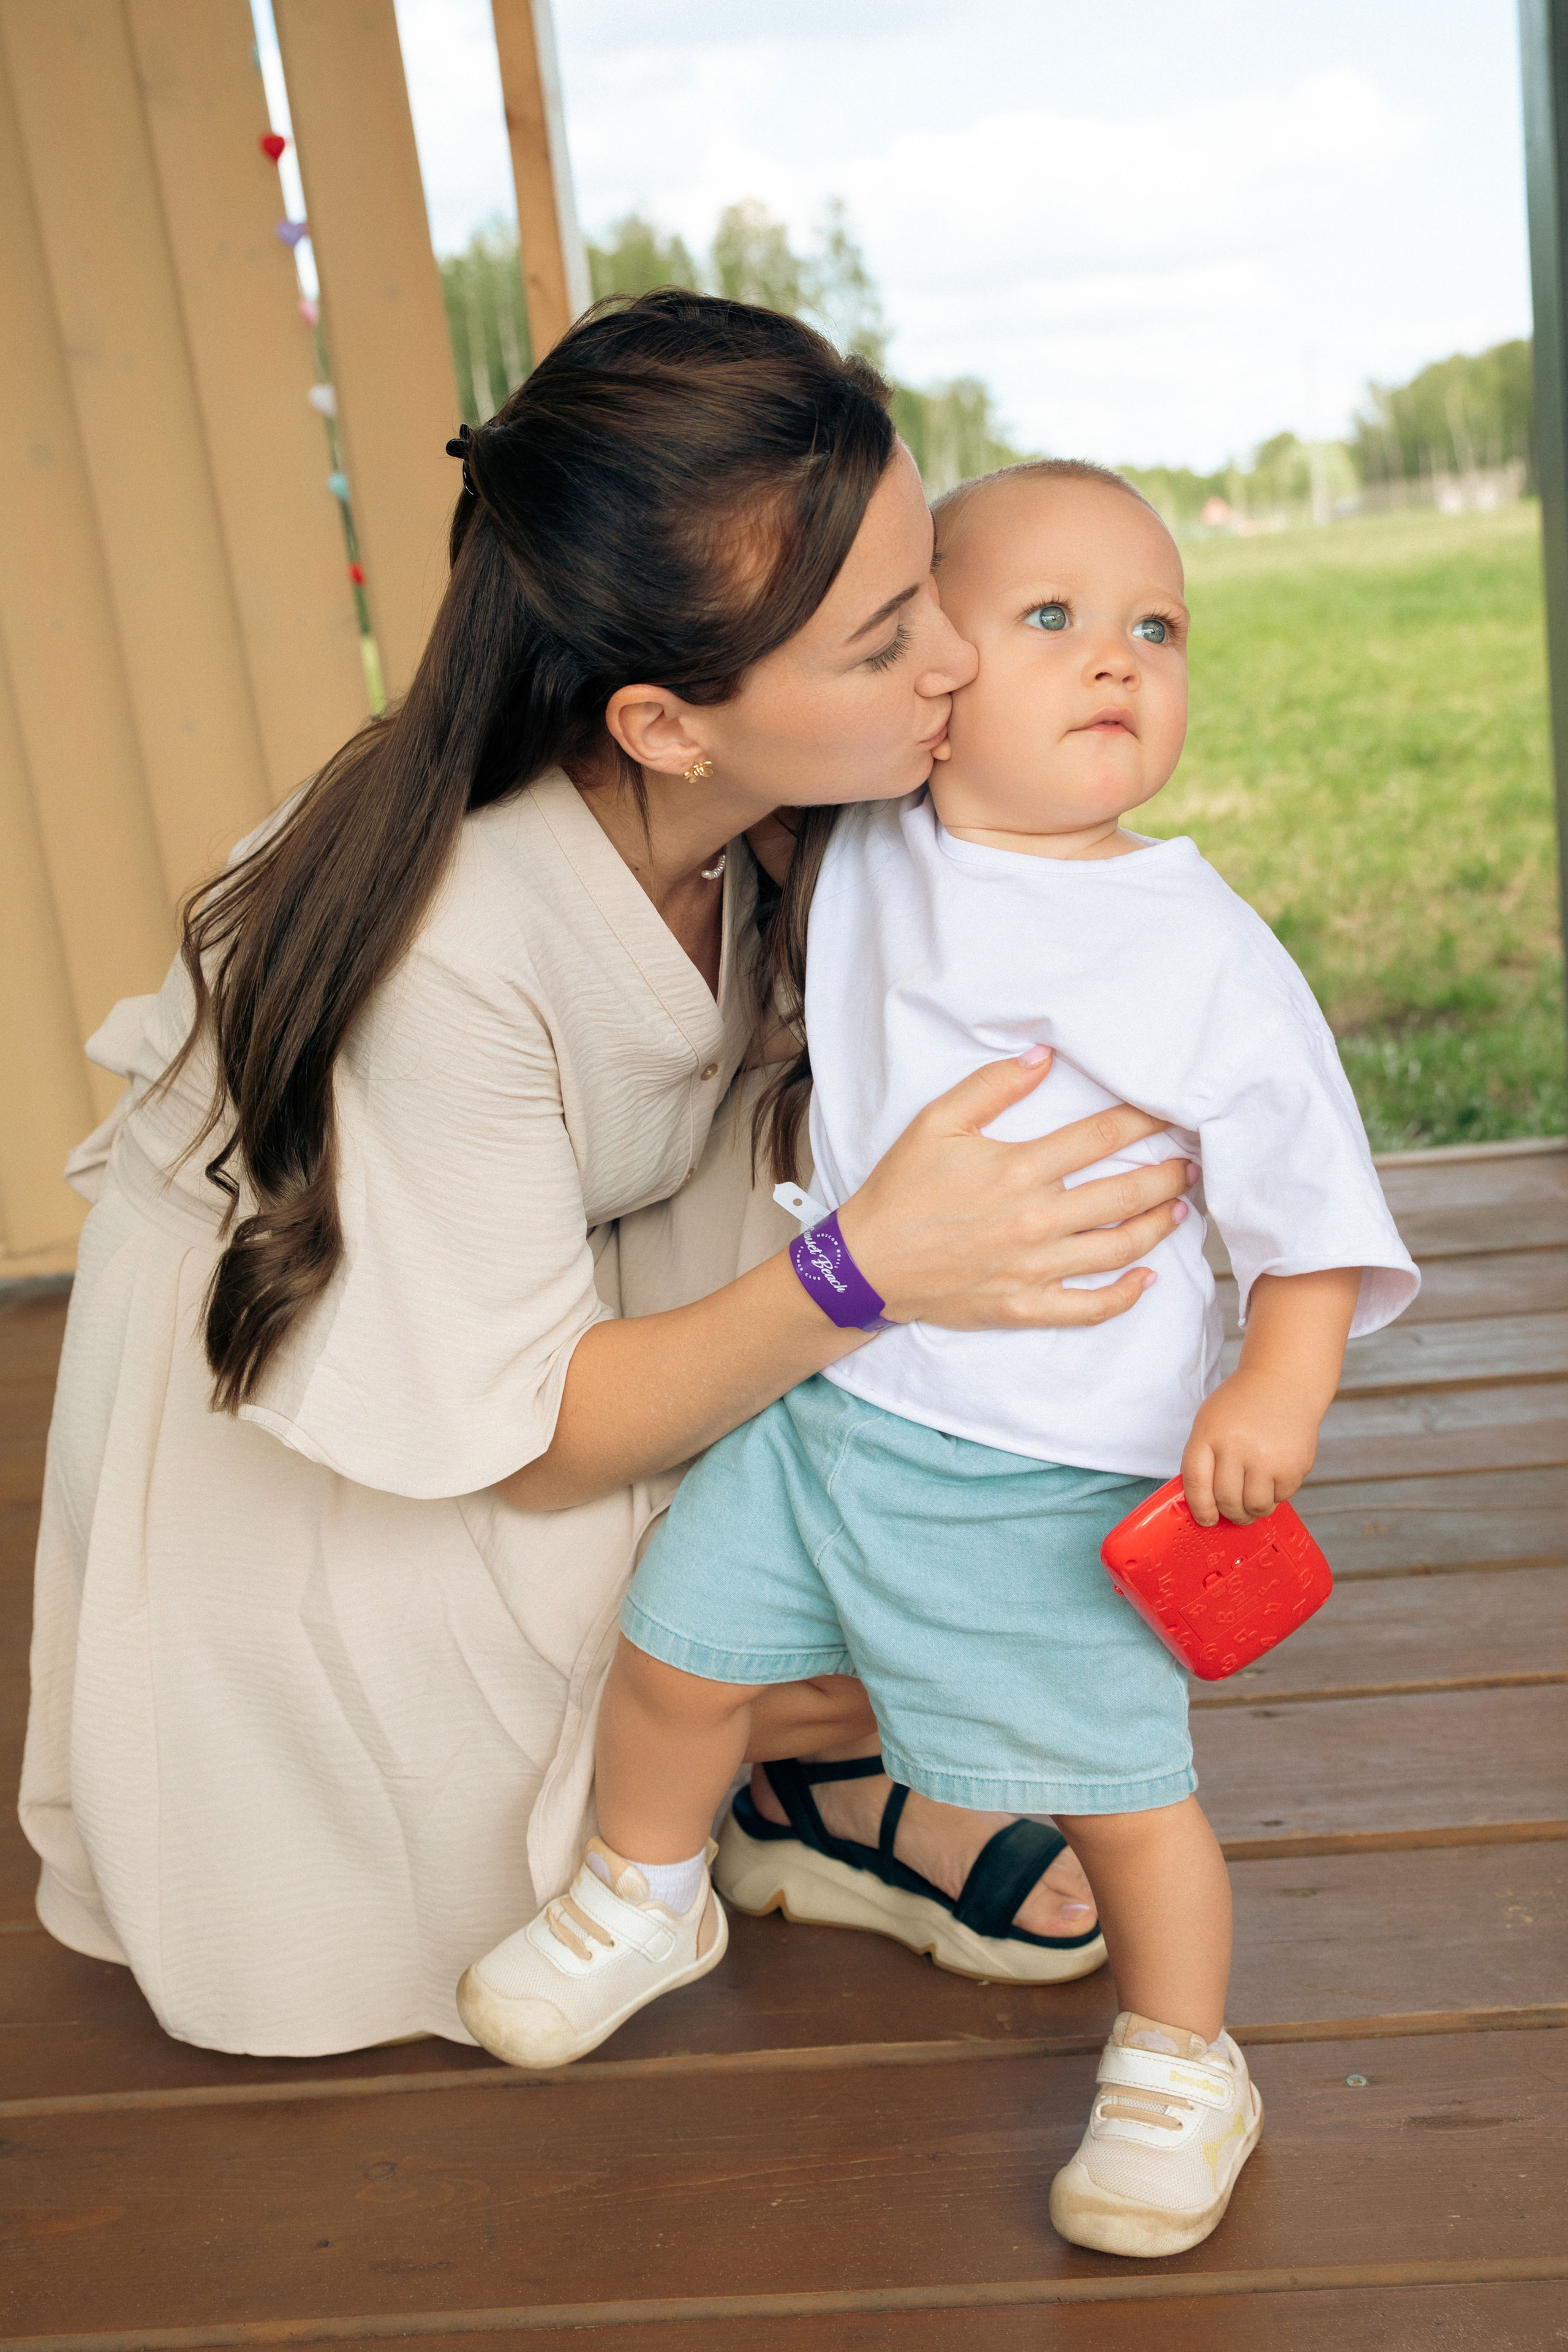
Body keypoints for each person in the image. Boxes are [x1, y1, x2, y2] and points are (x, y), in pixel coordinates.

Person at [20, 300, 1198, 2057]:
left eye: (934, 586)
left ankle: (814, 1765)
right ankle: (795, 1774)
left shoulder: (805, 799)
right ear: (665, 724)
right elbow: (537, 1431)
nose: (959, 662)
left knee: (950, 1489)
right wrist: (870, 1272)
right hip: (380, 1385)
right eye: (886, 642)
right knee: (768, 1606)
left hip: (598, 1256)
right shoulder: (450, 950)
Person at [455, 458, 1419, 2256]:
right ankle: (645, 1892)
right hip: (832, 1413)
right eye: (1052, 617)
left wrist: (1275, 1389)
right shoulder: (868, 841)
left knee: (1125, 1796)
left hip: (1056, 1465)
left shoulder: (1199, 946)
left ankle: (1183, 2059)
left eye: (1157, 628)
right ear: (933, 676)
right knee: (675, 1653)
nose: (1119, 658)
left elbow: (1311, 1211)